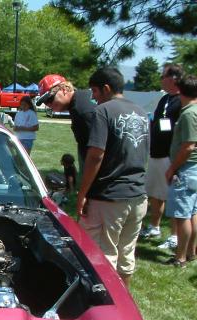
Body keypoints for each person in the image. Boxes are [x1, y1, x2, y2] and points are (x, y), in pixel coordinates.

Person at [77, 67, 149, 287]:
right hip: (138, 195)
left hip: (109, 198)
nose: (93, 98)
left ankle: (106, 302)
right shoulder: (141, 112)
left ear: (106, 88)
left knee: (103, 255)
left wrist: (83, 193)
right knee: (126, 254)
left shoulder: (103, 111)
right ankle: (124, 298)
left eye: (95, 91)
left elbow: (96, 155)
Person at [140, 64, 183, 249]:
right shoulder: (165, 98)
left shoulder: (183, 100)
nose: (160, 79)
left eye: (163, 76)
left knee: (172, 197)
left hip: (170, 156)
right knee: (155, 193)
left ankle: (175, 236)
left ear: (173, 79)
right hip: (156, 153)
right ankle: (154, 227)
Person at [163, 74, 197, 267]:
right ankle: (191, 252)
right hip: (193, 168)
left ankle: (180, 257)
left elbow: (188, 146)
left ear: (180, 91)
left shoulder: (188, 114)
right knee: (193, 212)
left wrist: (172, 168)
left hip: (186, 169)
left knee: (182, 214)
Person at [36, 74, 96, 172]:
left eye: (50, 99)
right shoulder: (82, 98)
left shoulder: (81, 111)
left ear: (64, 89)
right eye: (45, 102)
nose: (49, 104)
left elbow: (96, 152)